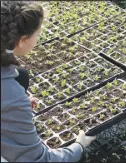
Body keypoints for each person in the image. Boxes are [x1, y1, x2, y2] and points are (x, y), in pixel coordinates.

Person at [1, 1, 96, 162]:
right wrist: (78, 146)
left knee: (21, 76)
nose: (38, 37)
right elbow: (41, 160)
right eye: (37, 34)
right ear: (23, 40)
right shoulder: (11, 94)